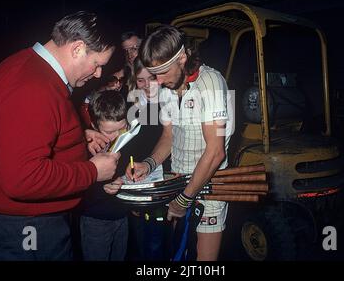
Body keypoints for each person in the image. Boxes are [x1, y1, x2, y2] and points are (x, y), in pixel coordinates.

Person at [0, 11, 121, 261]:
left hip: (15, 226)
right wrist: (92, 172)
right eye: (98, 64)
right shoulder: (33, 88)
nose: (98, 74)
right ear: (78, 48)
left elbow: (30, 132)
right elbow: (22, 179)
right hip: (20, 231)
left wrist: (78, 138)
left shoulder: (28, 69)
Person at [127, 25, 234, 261]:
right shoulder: (166, 89)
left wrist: (185, 199)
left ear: (182, 58)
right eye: (154, 74)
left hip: (208, 187)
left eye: (162, 72)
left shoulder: (212, 83)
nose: (159, 81)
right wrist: (149, 163)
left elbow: (215, 152)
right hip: (177, 184)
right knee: (178, 254)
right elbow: (169, 136)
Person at [125, 58, 171, 261]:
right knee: (140, 240)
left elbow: (168, 139)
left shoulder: (170, 99)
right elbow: (129, 144)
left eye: (151, 78)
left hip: (164, 179)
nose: (146, 85)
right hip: (138, 180)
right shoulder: (132, 101)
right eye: (140, 80)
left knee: (157, 241)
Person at [79, 89, 129, 261]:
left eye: (121, 128)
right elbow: (77, 186)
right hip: (95, 219)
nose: (116, 136)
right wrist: (101, 186)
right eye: (109, 131)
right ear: (94, 126)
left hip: (122, 215)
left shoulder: (125, 138)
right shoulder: (86, 148)